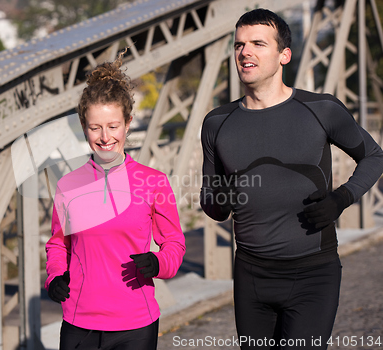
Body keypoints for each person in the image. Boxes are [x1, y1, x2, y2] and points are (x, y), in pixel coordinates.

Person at [200, 8, 383, 350]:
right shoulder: (217, 122)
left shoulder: (321, 109)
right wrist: (219, 198)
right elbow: (213, 208)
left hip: (313, 274)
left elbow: (374, 156)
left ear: (284, 54)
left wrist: (341, 199)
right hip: (251, 276)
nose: (245, 52)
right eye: (239, 45)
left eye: (258, 43)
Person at [45, 51, 186, 350]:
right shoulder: (68, 186)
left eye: (113, 126)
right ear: (84, 127)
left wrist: (158, 262)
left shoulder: (154, 182)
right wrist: (55, 276)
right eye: (95, 127)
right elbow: (58, 244)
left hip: (135, 325)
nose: (105, 136)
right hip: (78, 322)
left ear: (128, 123)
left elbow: (174, 244)